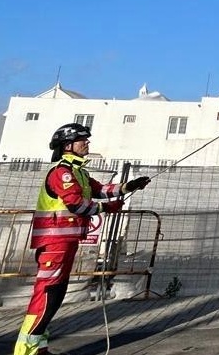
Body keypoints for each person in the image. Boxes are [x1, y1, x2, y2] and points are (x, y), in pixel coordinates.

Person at [12, 124, 151, 355]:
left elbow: (101, 190)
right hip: (55, 243)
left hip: (66, 242)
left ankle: (38, 347)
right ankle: (25, 351)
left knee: (56, 294)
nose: (87, 143)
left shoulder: (80, 173)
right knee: (48, 295)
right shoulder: (62, 172)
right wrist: (107, 208)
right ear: (68, 145)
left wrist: (129, 186)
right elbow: (76, 204)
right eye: (82, 140)